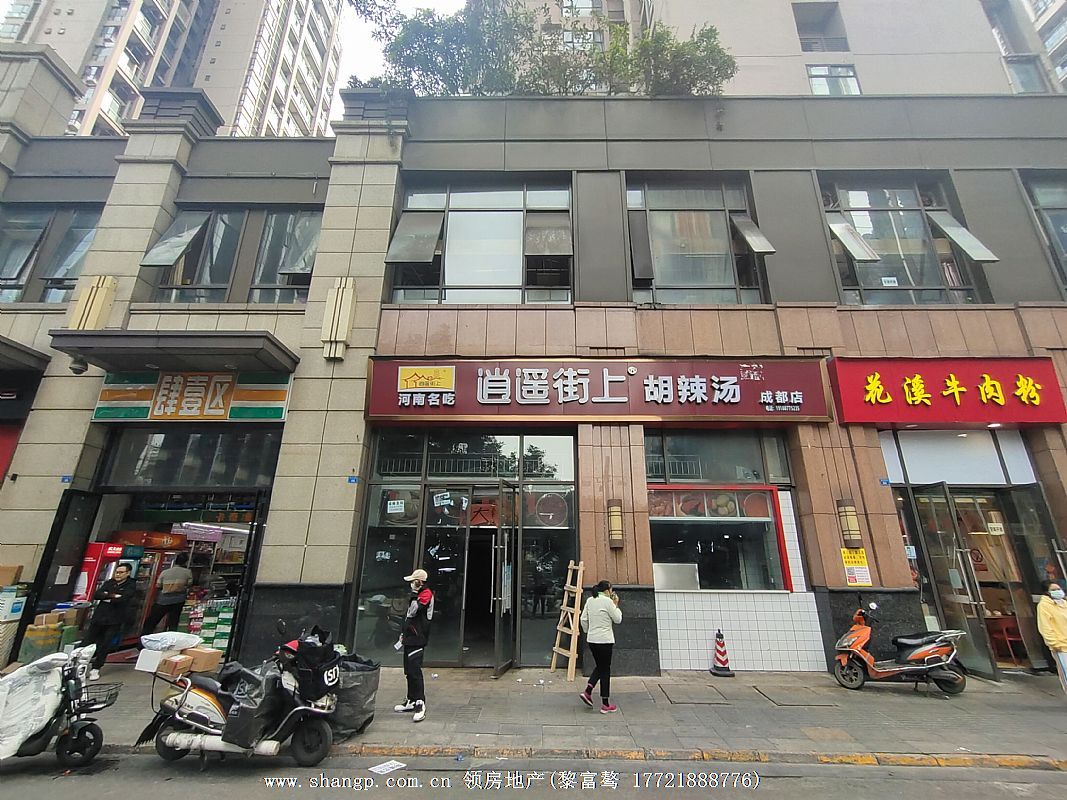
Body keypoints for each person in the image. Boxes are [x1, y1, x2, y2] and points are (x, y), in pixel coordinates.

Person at [81, 563, 137, 680]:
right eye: (117, 572)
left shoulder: (131, 585)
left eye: (121, 572)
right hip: (99, 617)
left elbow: (123, 599)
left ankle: (96, 668)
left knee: (104, 644)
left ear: (128, 573)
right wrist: (113, 596)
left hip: (114, 619)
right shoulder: (109, 583)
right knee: (87, 642)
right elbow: (97, 594)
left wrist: (107, 596)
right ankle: (80, 665)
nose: (118, 574)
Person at [393, 568, 434, 723]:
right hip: (409, 637)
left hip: (418, 637)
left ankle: (420, 703)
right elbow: (408, 617)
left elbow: (413, 611)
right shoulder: (416, 595)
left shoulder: (426, 594)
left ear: (419, 582)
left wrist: (415, 593)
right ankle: (411, 699)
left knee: (415, 671)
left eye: (413, 581)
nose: (411, 584)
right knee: (409, 671)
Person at [579, 579, 622, 714]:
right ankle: (605, 704)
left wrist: (588, 631)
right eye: (611, 589)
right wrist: (616, 604)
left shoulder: (590, 600)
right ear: (607, 590)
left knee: (600, 666)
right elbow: (618, 619)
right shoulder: (608, 602)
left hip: (592, 640)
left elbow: (583, 619)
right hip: (605, 640)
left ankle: (588, 691)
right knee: (605, 670)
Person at [142, 552, 193, 637]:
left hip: (163, 600)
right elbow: (189, 584)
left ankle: (145, 638)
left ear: (175, 561)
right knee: (173, 622)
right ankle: (171, 640)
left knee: (152, 621)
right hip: (179, 600)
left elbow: (158, 585)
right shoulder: (188, 572)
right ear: (186, 562)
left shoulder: (165, 572)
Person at [1037, 579, 1067, 698]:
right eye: (1054, 590)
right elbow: (1045, 627)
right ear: (1047, 592)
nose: (1058, 591)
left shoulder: (1064, 604)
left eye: (1059, 589)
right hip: (1060, 646)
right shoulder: (1044, 606)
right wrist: (1054, 643)